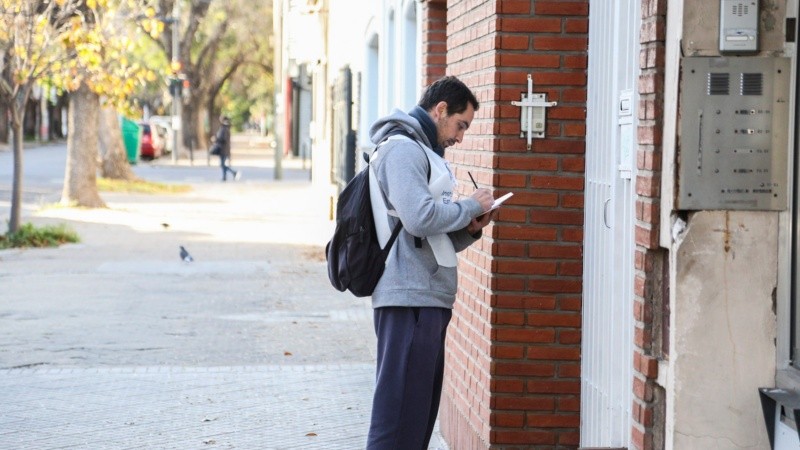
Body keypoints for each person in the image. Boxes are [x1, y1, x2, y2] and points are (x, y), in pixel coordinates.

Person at [365, 76, 497, 449]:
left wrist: (469, 227)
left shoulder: (422, 152)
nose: (461, 137)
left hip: (423, 298)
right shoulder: (404, 150)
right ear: (440, 110)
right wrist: (470, 204)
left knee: (416, 416)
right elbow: (419, 218)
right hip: (409, 298)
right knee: (398, 416)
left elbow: (426, 234)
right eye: (461, 125)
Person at [215, 115, 240, 181]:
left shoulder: (224, 128)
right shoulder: (225, 128)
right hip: (224, 149)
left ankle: (234, 173)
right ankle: (225, 177)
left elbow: (223, 139)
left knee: (222, 164)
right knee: (222, 164)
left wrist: (216, 139)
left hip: (223, 149)